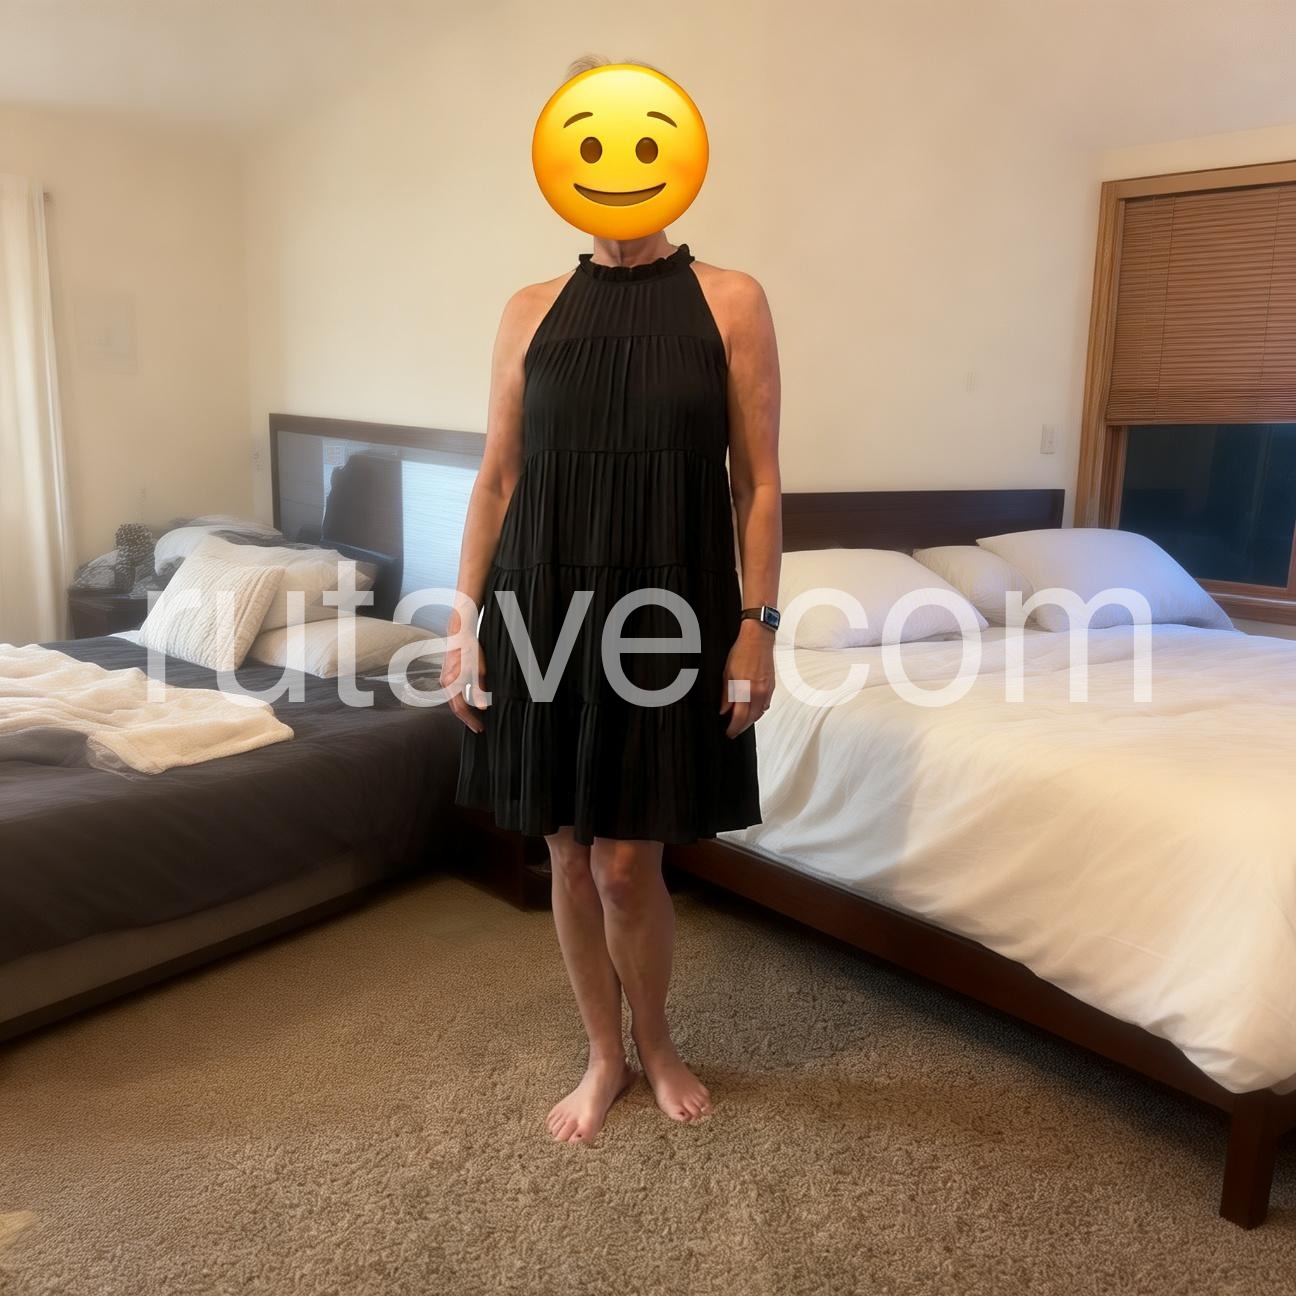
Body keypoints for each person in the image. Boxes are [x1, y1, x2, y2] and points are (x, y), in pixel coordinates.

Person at [444, 156, 781, 1145]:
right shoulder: (529, 309)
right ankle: (604, 1055)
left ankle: (657, 1041)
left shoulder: (732, 300)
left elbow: (758, 483)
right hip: (540, 603)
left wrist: (756, 626)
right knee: (566, 849)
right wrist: (464, 621)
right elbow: (497, 479)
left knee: (629, 864)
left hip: (669, 611)